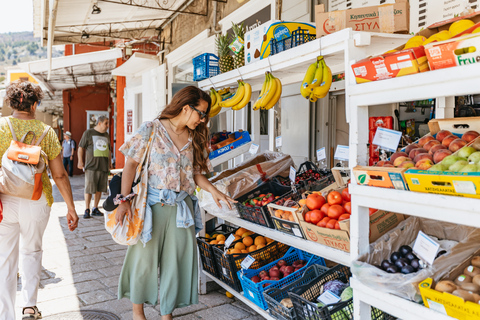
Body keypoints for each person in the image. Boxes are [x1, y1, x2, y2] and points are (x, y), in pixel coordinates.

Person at [116, 86, 235, 320]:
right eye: (201, 113)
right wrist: (123, 201)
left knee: (176, 264)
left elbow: (197, 173)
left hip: (182, 210)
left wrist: (214, 191)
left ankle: (167, 314)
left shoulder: (196, 138)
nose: (202, 120)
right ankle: (137, 313)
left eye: (205, 116)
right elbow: (130, 164)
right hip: (151, 208)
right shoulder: (151, 129)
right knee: (143, 261)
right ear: (185, 107)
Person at [0, 80, 79, 320]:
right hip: (37, 200)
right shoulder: (46, 132)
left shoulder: (1, 127)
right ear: (34, 105)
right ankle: (29, 307)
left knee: (5, 258)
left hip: (5, 201)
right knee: (32, 252)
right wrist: (71, 207)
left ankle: (5, 314)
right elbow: (59, 174)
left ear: (10, 103)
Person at [77, 115, 111, 219]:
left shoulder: (106, 135)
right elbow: (81, 148)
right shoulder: (88, 133)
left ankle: (95, 208)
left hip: (103, 166)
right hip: (91, 166)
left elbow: (108, 150)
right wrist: (80, 161)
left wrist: (110, 164)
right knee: (89, 188)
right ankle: (87, 209)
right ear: (99, 123)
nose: (108, 126)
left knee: (100, 188)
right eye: (106, 123)